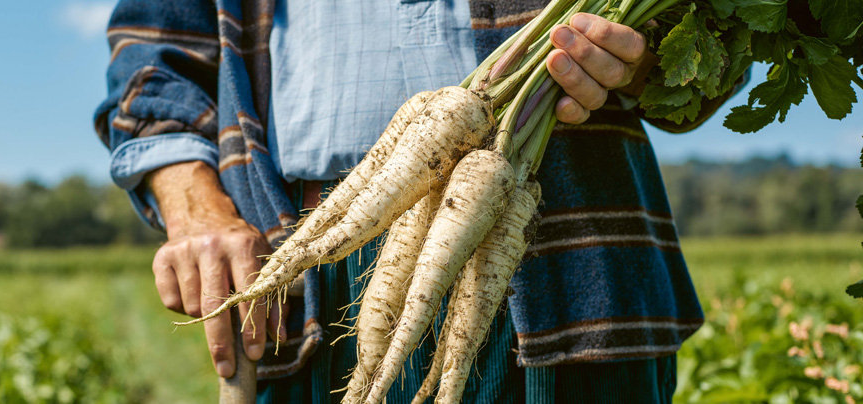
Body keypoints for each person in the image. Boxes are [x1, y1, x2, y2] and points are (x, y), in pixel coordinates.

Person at [94, 0, 733, 402]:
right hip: (306, 268)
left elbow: (711, 47)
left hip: (579, 268)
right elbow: (154, 54)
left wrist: (642, 54)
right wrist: (195, 206)